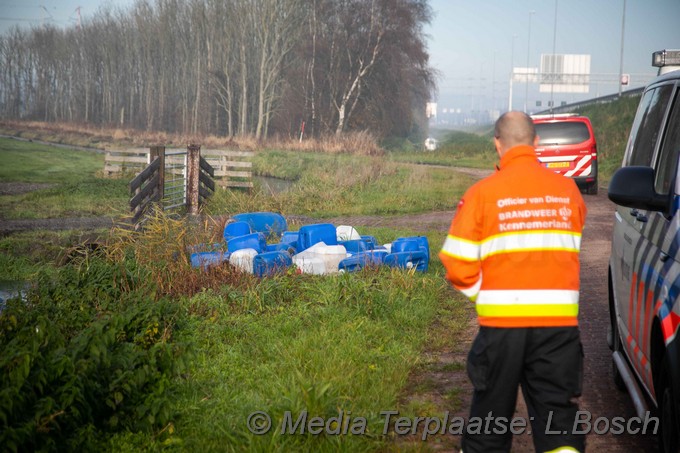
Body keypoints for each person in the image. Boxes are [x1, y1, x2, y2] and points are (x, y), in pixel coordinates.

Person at [439, 111, 587, 453]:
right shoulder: (568, 192)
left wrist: (487, 294)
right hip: (558, 329)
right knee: (559, 424)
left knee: (489, 423)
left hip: (501, 330)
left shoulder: (481, 194)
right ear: (536, 142)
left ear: (497, 144)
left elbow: (456, 264)